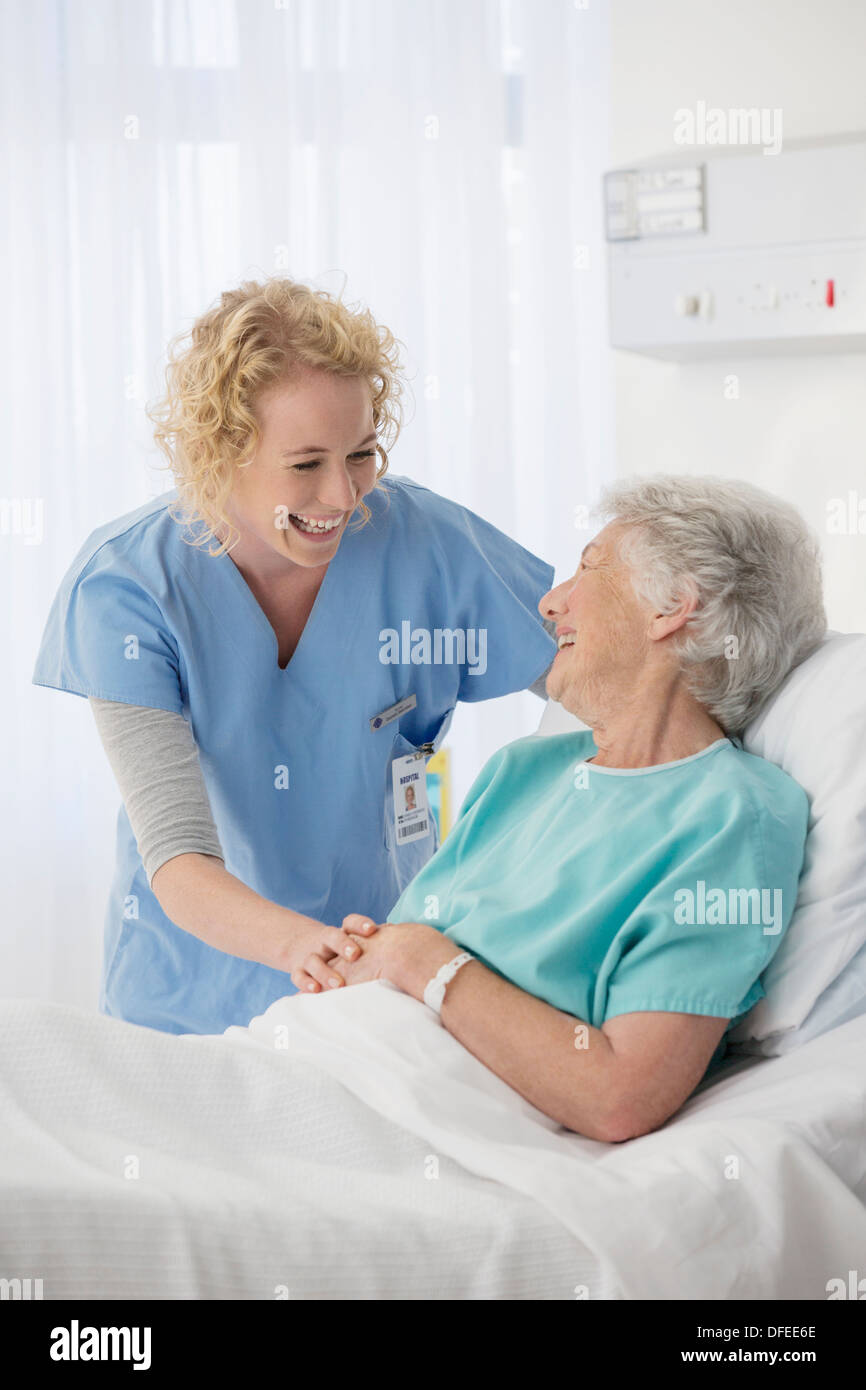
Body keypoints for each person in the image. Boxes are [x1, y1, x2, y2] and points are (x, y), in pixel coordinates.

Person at [33, 277, 556, 1036]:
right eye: (305, 463)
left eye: (362, 454)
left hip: (382, 988)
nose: (343, 496)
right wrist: (309, 949)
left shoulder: (427, 548)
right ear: (220, 453)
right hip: (188, 1007)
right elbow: (178, 859)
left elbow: (596, 677)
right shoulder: (129, 588)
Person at [325, 475, 826, 1141]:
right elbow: (395, 958)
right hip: (328, 1061)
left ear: (672, 606)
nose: (551, 602)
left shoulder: (734, 817)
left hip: (413, 1121)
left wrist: (422, 961)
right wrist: (361, 956)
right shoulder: (522, 772)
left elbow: (619, 1094)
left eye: (588, 568)